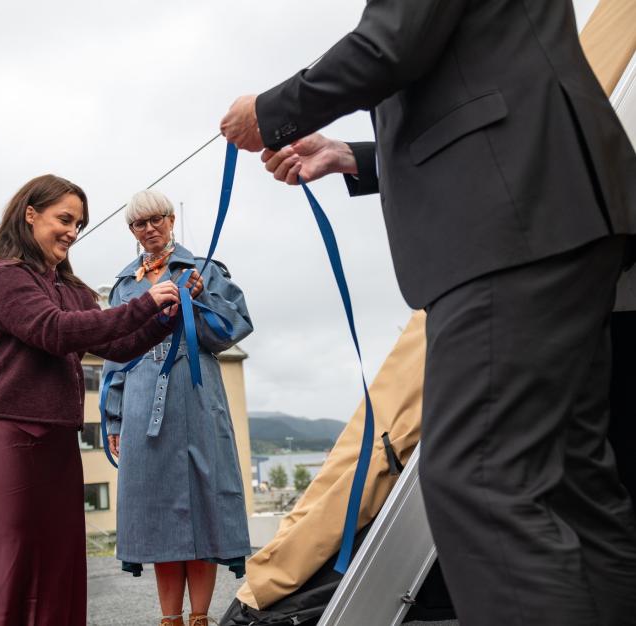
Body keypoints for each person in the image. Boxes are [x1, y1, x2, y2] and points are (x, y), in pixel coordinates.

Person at [220, 1, 636, 624]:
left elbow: (391, 44)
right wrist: (348, 155)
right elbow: (479, 83)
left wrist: (270, 113)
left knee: (481, 478)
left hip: (510, 225)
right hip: (555, 206)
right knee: (575, 482)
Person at [0, 173, 191, 625]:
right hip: (7, 433)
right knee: (12, 564)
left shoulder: (73, 289)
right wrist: (146, 302)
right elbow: (53, 331)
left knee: (60, 566)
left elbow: (118, 346)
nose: (72, 231)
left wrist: (168, 314)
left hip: (57, 440)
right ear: (30, 215)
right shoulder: (5, 278)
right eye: (64, 219)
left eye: (79, 224)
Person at [102, 189, 253, 626]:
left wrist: (202, 298)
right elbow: (114, 354)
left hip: (196, 392)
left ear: (171, 220)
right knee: (156, 511)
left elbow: (231, 330)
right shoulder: (124, 284)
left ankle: (200, 617)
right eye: (138, 223)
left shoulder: (204, 269)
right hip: (140, 398)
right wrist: (113, 415)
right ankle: (170, 619)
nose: (149, 228)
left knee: (204, 504)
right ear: (131, 231)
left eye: (156, 219)